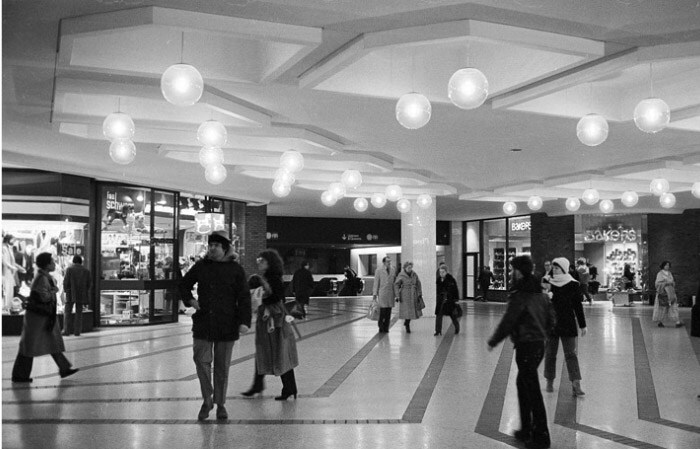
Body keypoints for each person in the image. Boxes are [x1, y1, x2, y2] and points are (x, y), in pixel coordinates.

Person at [179, 230, 252, 421]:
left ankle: (220, 404)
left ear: (225, 248)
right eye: (210, 245)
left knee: (222, 367)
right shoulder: (201, 266)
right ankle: (207, 398)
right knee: (201, 361)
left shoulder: (235, 269)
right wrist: (190, 300)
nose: (212, 248)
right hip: (203, 322)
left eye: (216, 245)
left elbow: (244, 297)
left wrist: (245, 321)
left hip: (227, 324)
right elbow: (183, 284)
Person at [487, 256, 554, 449]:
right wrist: (543, 334)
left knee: (531, 389)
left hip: (526, 345)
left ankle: (541, 435)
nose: (510, 273)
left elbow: (509, 320)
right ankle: (526, 428)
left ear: (519, 271)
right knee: (523, 384)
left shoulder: (521, 295)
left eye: (512, 270)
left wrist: (494, 340)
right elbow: (552, 319)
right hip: (539, 345)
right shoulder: (540, 294)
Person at [11, 252, 79, 383]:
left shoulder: (44, 276)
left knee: (51, 344)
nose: (54, 264)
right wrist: (54, 291)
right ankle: (19, 375)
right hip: (37, 319)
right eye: (52, 262)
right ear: (47, 265)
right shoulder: (42, 278)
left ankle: (64, 368)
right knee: (29, 347)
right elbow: (43, 296)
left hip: (43, 318)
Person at [242, 249, 299, 401]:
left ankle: (287, 387)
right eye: (258, 260)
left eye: (262, 260)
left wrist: (259, 298)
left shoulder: (272, 278)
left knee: (275, 352)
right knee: (272, 351)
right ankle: (286, 387)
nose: (259, 263)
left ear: (269, 263)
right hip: (271, 320)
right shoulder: (269, 277)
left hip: (274, 321)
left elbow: (276, 297)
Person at [544, 257, 587, 397]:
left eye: (556, 268)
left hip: (568, 323)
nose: (554, 270)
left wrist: (582, 325)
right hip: (551, 324)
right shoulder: (548, 282)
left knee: (571, 354)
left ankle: (576, 383)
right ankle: (549, 380)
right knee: (550, 354)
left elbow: (577, 306)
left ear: (563, 268)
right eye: (553, 268)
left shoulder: (573, 284)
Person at [62, 255, 91, 337]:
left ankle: (66, 330)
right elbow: (89, 284)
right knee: (79, 312)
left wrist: (65, 290)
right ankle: (77, 331)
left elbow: (66, 281)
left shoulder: (69, 269)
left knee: (67, 312)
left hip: (70, 293)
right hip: (81, 294)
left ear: (73, 261)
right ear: (81, 261)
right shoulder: (86, 271)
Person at [394, 261, 423, 333]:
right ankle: (407, 325)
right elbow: (396, 285)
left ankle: (407, 322)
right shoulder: (401, 275)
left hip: (413, 294)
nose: (410, 269)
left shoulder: (414, 274)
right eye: (408, 267)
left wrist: (419, 293)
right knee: (407, 310)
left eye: (411, 267)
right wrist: (397, 295)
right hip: (405, 294)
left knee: (412, 310)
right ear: (405, 268)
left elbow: (418, 283)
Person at [653, 261, 682, 328]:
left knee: (673, 307)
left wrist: (671, 283)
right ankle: (660, 321)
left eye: (668, 265)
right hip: (663, 293)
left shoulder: (670, 273)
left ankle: (677, 321)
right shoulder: (660, 274)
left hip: (670, 293)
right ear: (663, 266)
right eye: (666, 265)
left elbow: (673, 282)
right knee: (663, 308)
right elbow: (657, 284)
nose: (667, 267)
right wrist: (665, 283)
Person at [373, 256, 396, 333]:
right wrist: (374, 294)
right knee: (382, 311)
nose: (389, 263)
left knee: (388, 312)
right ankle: (381, 326)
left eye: (390, 261)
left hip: (390, 293)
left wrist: (396, 294)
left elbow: (394, 283)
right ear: (384, 262)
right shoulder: (379, 270)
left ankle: (386, 327)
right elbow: (376, 283)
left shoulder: (393, 270)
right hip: (382, 293)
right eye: (387, 261)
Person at [435, 265, 460, 336]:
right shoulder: (438, 280)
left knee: (452, 315)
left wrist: (456, 299)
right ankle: (438, 331)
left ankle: (457, 327)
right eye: (440, 272)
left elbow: (455, 290)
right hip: (440, 301)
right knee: (438, 315)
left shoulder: (451, 279)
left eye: (443, 272)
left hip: (449, 300)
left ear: (446, 272)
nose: (441, 273)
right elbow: (437, 290)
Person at [3, 234, 26, 310]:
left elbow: (13, 262)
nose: (14, 241)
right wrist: (13, 268)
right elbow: (5, 262)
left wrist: (20, 268)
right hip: (6, 272)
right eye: (13, 240)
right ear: (8, 239)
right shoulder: (4, 248)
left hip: (11, 272)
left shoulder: (10, 248)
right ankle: (6, 308)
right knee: (8, 291)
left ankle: (9, 307)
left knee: (10, 291)